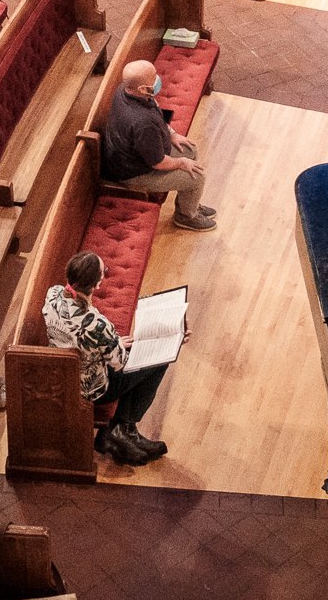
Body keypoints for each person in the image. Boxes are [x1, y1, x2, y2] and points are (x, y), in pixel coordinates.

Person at [41, 250, 169, 466]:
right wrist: (162, 342)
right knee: (159, 359)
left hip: (63, 374)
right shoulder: (97, 326)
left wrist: (113, 342)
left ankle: (122, 430)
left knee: (138, 356)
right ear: (97, 284)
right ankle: (122, 427)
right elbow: (120, 364)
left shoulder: (53, 295)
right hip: (94, 389)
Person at [99, 59, 214, 230]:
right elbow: (158, 162)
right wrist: (181, 162)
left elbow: (155, 109)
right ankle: (185, 216)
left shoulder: (125, 91)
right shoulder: (142, 123)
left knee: (190, 150)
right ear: (142, 89)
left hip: (138, 154)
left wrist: (172, 134)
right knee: (196, 178)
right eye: (154, 77)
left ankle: (188, 204)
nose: (158, 78)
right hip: (134, 174)